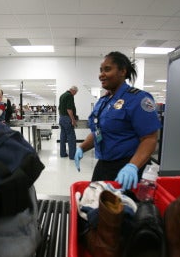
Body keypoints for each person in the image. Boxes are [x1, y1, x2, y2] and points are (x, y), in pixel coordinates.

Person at [74, 51, 161, 190]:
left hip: (129, 167)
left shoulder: (138, 99)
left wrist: (132, 166)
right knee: (94, 204)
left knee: (122, 209)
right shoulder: (103, 101)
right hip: (103, 165)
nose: (101, 74)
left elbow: (150, 138)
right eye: (101, 70)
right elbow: (98, 132)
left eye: (107, 69)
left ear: (122, 71)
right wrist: (81, 148)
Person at [58, 86, 78, 159]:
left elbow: (59, 108)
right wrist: (73, 120)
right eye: (75, 93)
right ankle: (72, 156)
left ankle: (62, 154)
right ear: (73, 91)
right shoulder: (70, 96)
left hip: (61, 118)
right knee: (71, 137)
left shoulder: (62, 95)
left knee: (63, 136)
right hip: (67, 119)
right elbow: (69, 109)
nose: (75, 94)